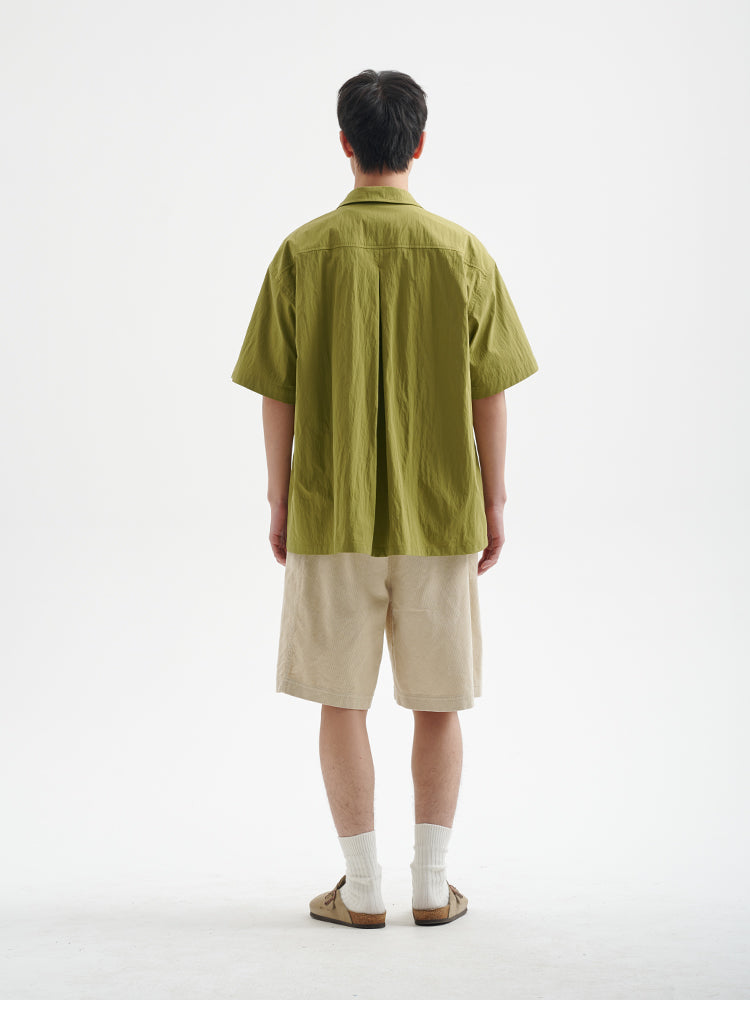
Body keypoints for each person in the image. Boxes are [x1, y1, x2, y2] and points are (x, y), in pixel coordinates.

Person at [231, 69, 539, 929]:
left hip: (330, 510)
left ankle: (362, 889)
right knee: (439, 701)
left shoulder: (303, 252)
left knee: (343, 699)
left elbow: (277, 391)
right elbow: (490, 391)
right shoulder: (462, 251)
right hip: (441, 511)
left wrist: (279, 499)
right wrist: (495, 500)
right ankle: (432, 887)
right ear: (419, 143)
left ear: (345, 143)